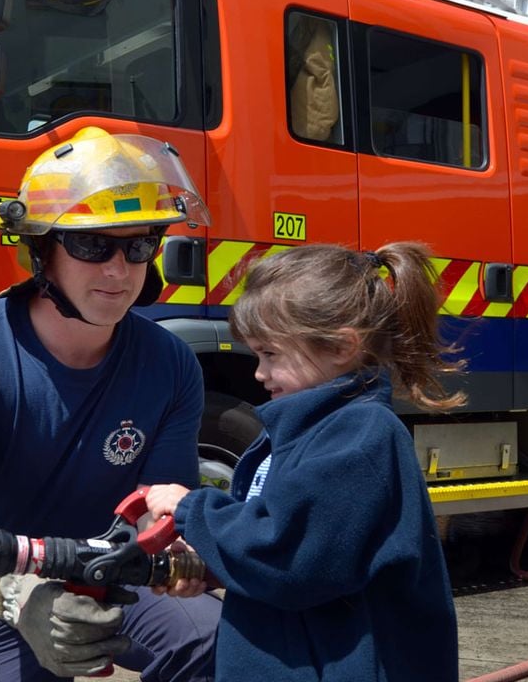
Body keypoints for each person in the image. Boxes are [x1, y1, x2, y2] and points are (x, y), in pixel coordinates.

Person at [0, 127, 220, 682]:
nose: (118, 270)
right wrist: (16, 597)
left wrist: (187, 552)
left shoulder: (172, 365)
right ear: (43, 250)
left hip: (123, 577)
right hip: (1, 594)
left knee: (217, 643)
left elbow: (158, 504)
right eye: (93, 245)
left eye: (138, 247)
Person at [145, 242, 464, 682]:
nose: (258, 373)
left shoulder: (360, 436)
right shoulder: (303, 433)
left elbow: (288, 557)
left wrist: (191, 509)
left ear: (341, 347)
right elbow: (298, 555)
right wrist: (214, 565)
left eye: (270, 354)